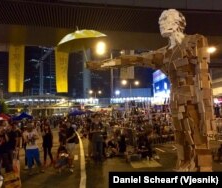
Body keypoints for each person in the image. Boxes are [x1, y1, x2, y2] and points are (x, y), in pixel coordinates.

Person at [87, 9, 214, 171]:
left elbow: (203, 78)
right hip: (175, 103)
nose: (161, 23)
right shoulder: (163, 54)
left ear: (178, 23)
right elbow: (134, 59)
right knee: (181, 144)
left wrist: (208, 118)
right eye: (160, 21)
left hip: (193, 102)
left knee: (199, 144)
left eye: (165, 19)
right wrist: (102, 64)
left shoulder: (196, 41)